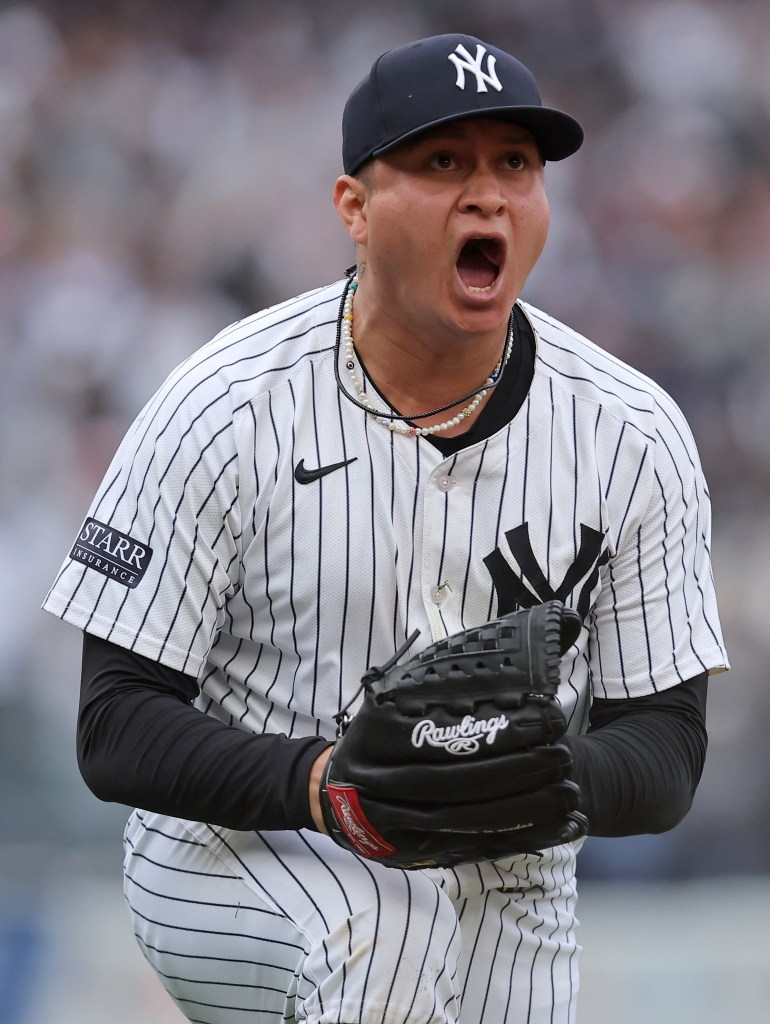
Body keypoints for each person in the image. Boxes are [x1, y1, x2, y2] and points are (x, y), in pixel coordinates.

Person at [43, 33, 729, 1024]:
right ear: (354, 210)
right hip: (239, 849)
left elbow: (667, 747)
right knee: (388, 929)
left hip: (505, 854)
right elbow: (114, 724)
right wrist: (329, 784)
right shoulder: (224, 404)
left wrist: (532, 774)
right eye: (442, 161)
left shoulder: (632, 430)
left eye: (515, 164)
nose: (487, 194)